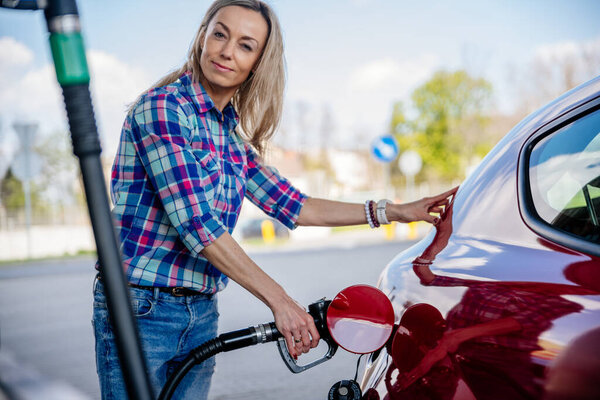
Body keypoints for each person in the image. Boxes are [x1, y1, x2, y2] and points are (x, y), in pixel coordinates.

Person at [92, 0, 457, 398]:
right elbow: (199, 227)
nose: (227, 51)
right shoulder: (163, 110)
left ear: (258, 64)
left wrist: (395, 211)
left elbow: (296, 206)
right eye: (220, 34)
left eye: (245, 45)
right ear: (202, 37)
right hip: (141, 309)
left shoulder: (229, 139)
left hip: (199, 311)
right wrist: (282, 303)